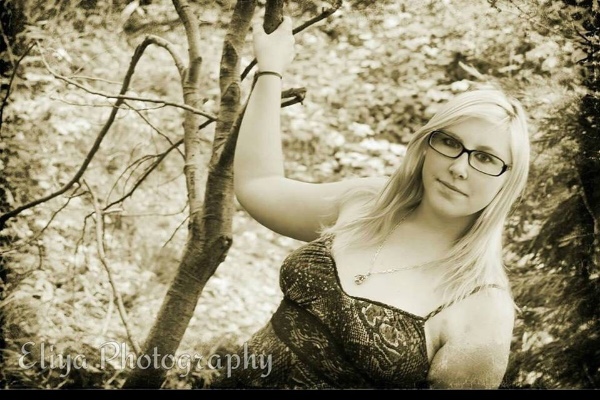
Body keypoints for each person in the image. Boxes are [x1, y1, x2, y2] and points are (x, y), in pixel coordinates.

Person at [211, 15, 531, 389]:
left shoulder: (482, 306)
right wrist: (271, 70)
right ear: (426, 145)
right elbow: (259, 185)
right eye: (450, 142)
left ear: (509, 180)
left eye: (486, 158)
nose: (459, 168)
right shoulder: (369, 204)